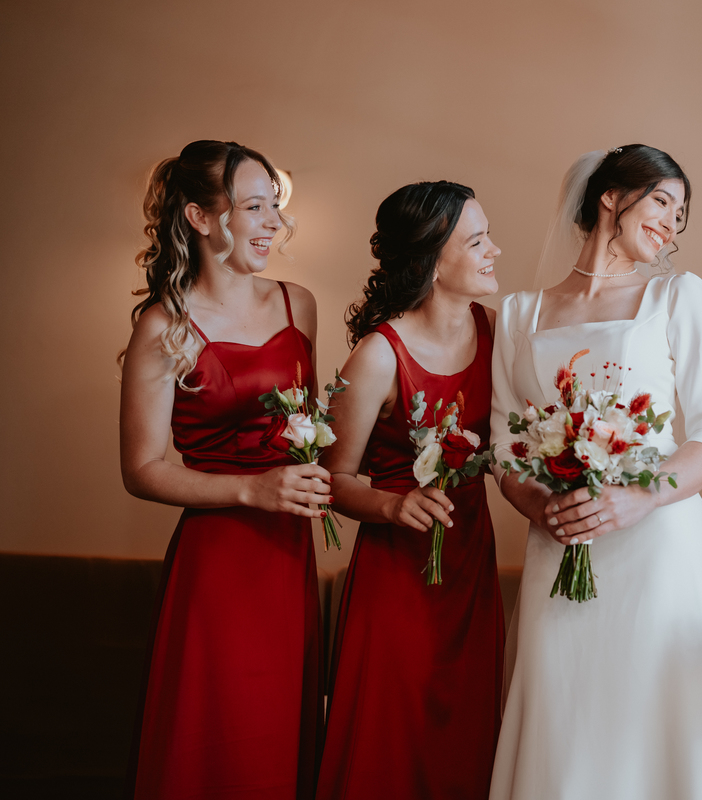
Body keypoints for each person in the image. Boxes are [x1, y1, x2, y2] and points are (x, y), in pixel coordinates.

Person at [488, 145, 702, 799]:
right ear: (610, 198)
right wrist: (540, 507)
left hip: (660, 550)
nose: (672, 225)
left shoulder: (677, 296)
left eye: (681, 215)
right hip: (561, 543)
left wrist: (638, 498)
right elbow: (506, 448)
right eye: (662, 201)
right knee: (566, 725)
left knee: (657, 733)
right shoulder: (519, 315)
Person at [119, 140, 326, 799]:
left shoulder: (300, 304)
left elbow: (310, 430)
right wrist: (251, 489)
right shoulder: (164, 326)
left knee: (280, 740)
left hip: (290, 554)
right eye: (255, 206)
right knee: (216, 742)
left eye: (276, 207)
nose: (273, 223)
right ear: (201, 218)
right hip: (217, 561)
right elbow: (142, 468)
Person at [315, 181, 504, 799]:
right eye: (477, 241)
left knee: (467, 736)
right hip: (397, 575)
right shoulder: (376, 356)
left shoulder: (496, 332)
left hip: (471, 564)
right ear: (431, 260)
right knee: (389, 743)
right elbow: (332, 482)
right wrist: (394, 505)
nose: (493, 250)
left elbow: (513, 449)